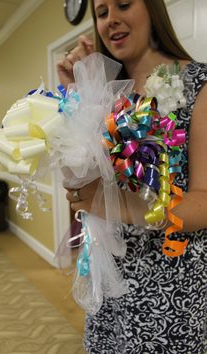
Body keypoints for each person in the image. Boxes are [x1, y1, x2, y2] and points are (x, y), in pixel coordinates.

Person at [57, 0, 207, 353]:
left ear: (153, 9)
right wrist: (74, 94)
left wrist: (118, 205)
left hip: (171, 285)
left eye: (124, 4)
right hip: (109, 278)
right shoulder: (104, 93)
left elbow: (204, 199)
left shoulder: (199, 83)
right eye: (102, 11)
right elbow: (79, 183)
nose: (112, 20)